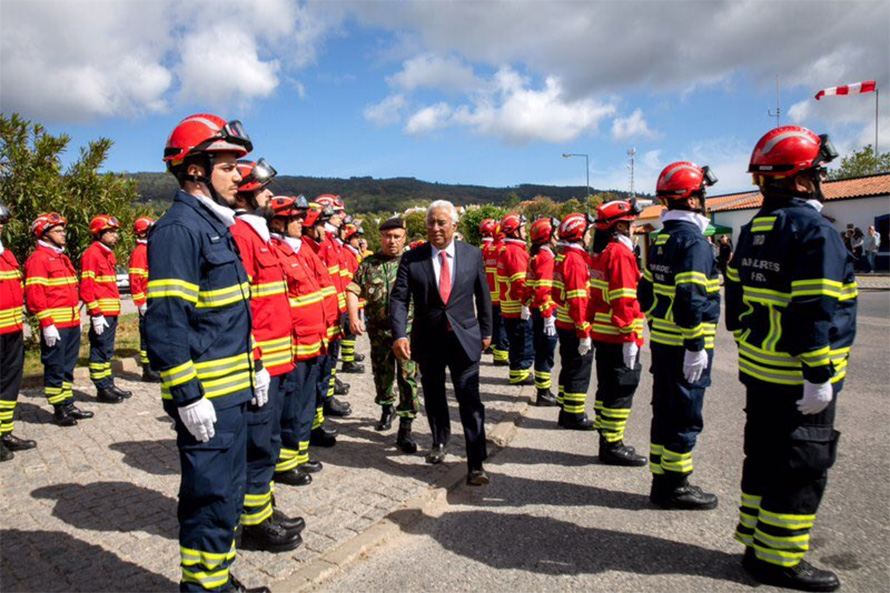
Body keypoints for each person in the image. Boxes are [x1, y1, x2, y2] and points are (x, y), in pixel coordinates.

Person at [726, 126, 855, 592]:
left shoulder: (754, 228)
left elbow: (735, 299)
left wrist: (747, 338)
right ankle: (779, 559)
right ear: (801, 180)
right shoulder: (815, 231)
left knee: (762, 455)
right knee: (801, 463)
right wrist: (819, 374)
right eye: (817, 172)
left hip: (760, 367)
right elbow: (814, 309)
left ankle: (756, 542)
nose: (820, 179)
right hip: (798, 376)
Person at [145, 113, 269, 593]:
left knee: (228, 495)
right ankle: (202, 589)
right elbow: (166, 323)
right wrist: (187, 394)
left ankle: (217, 580)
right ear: (195, 170)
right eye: (229, 165)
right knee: (209, 498)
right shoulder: (179, 230)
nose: (241, 175)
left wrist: (255, 367)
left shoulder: (217, 227)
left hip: (233, 393)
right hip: (208, 402)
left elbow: (231, 317)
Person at [390, 200, 493, 486]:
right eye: (430, 223)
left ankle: (476, 463)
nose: (435, 228)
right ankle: (439, 441)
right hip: (429, 339)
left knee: (469, 399)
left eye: (441, 223)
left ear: (454, 226)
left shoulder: (472, 255)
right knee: (434, 396)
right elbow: (399, 298)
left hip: (466, 340)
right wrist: (399, 334)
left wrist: (487, 331)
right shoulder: (413, 258)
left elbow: (483, 295)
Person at [638, 161, 720, 511]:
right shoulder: (695, 244)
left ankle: (661, 481)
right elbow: (690, 299)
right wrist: (695, 346)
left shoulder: (659, 240)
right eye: (701, 194)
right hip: (686, 346)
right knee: (685, 415)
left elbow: (645, 294)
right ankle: (676, 485)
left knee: (665, 411)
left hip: (663, 343)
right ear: (692, 199)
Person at [231, 160, 303, 552]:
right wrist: (254, 359)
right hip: (261, 362)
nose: (270, 194)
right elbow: (241, 307)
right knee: (257, 444)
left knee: (269, 441)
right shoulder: (242, 235)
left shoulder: (258, 235)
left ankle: (262, 509)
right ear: (244, 194)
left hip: (279, 359)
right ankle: (253, 524)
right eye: (262, 189)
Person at [346, 217, 420, 452]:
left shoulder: (414, 263)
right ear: (381, 238)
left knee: (408, 378)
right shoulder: (369, 264)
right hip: (378, 333)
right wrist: (353, 317)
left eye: (397, 236)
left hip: (407, 334)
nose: (392, 241)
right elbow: (352, 289)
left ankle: (406, 426)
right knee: (382, 375)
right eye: (387, 236)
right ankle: (387, 407)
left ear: (404, 238)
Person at [268, 195, 329, 480]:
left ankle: (300, 454)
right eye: (294, 218)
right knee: (290, 409)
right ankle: (284, 464)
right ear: (277, 222)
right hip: (294, 346)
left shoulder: (301, 250)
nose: (300, 223)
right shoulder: (276, 252)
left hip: (313, 341)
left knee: (305, 404)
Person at [588, 201, 647, 466]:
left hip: (603, 332)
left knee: (607, 388)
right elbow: (624, 298)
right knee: (621, 389)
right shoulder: (621, 254)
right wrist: (629, 338)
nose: (635, 227)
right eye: (632, 223)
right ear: (621, 225)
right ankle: (613, 445)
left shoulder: (603, 252)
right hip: (618, 334)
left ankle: (606, 439)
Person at [24, 213, 95, 427]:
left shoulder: (62, 258)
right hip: (55, 325)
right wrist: (47, 324)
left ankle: (68, 403)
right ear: (44, 235)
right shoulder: (38, 260)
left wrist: (78, 317)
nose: (63, 234)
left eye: (63, 230)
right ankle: (58, 409)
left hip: (71, 323)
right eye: (58, 231)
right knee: (55, 366)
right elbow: (35, 294)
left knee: (67, 366)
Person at [81, 214, 133, 403]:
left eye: (115, 232)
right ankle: (102, 388)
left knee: (107, 351)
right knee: (99, 350)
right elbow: (87, 286)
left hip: (111, 311)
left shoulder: (107, 254)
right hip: (101, 313)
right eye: (110, 232)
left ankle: (109, 383)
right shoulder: (92, 254)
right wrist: (95, 313)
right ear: (99, 233)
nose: (115, 236)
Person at [0, 203, 37, 459]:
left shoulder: (7, 255)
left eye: (3, 222)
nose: (2, 226)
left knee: (9, 385)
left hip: (12, 329)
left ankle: (4, 432)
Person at [552, 213, 596, 430]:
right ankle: (575, 415)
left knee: (568, 369)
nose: (589, 236)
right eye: (588, 232)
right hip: (575, 326)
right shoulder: (576, 261)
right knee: (578, 372)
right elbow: (579, 301)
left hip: (564, 323)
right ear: (580, 234)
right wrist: (584, 333)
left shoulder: (564, 257)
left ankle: (566, 410)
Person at [525, 217, 560, 407]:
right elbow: (543, 289)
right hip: (546, 312)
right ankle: (544, 393)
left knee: (541, 351)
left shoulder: (537, 256)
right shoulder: (546, 258)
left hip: (537, 311)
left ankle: (543, 390)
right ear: (548, 236)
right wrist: (548, 318)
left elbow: (530, 286)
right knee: (546, 353)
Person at [497, 213, 534, 386]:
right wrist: (526, 304)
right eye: (523, 229)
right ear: (515, 231)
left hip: (509, 307)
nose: (525, 232)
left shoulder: (507, 249)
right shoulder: (515, 252)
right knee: (523, 341)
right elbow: (520, 282)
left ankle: (517, 371)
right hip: (517, 308)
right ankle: (521, 373)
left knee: (516, 341)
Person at [128, 216, 160, 383]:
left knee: (155, 336)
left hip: (154, 301)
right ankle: (148, 370)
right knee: (147, 337)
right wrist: (141, 303)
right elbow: (135, 280)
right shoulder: (140, 253)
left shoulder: (151, 250)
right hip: (147, 302)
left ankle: (154, 366)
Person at [480, 218, 509, 365]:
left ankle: (496, 350)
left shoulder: (489, 249)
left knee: (495, 324)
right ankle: (501, 355)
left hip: (491, 293)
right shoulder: (501, 250)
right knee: (502, 326)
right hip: (502, 295)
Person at [339, 221, 367, 371]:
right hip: (350, 298)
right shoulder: (348, 254)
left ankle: (350, 355)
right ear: (348, 239)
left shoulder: (353, 252)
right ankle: (348, 362)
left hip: (355, 297)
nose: (359, 240)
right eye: (356, 237)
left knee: (352, 332)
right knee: (349, 331)